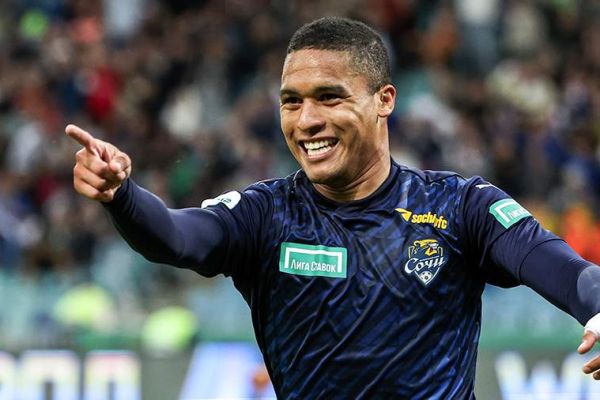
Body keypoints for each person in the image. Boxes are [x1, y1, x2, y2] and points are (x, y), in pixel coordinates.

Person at [67, 16, 600, 399]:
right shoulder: (265, 215)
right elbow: (176, 237)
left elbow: (566, 271)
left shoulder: (461, 207)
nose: (306, 121)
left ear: (384, 100)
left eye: (329, 97)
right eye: (291, 101)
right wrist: (122, 195)